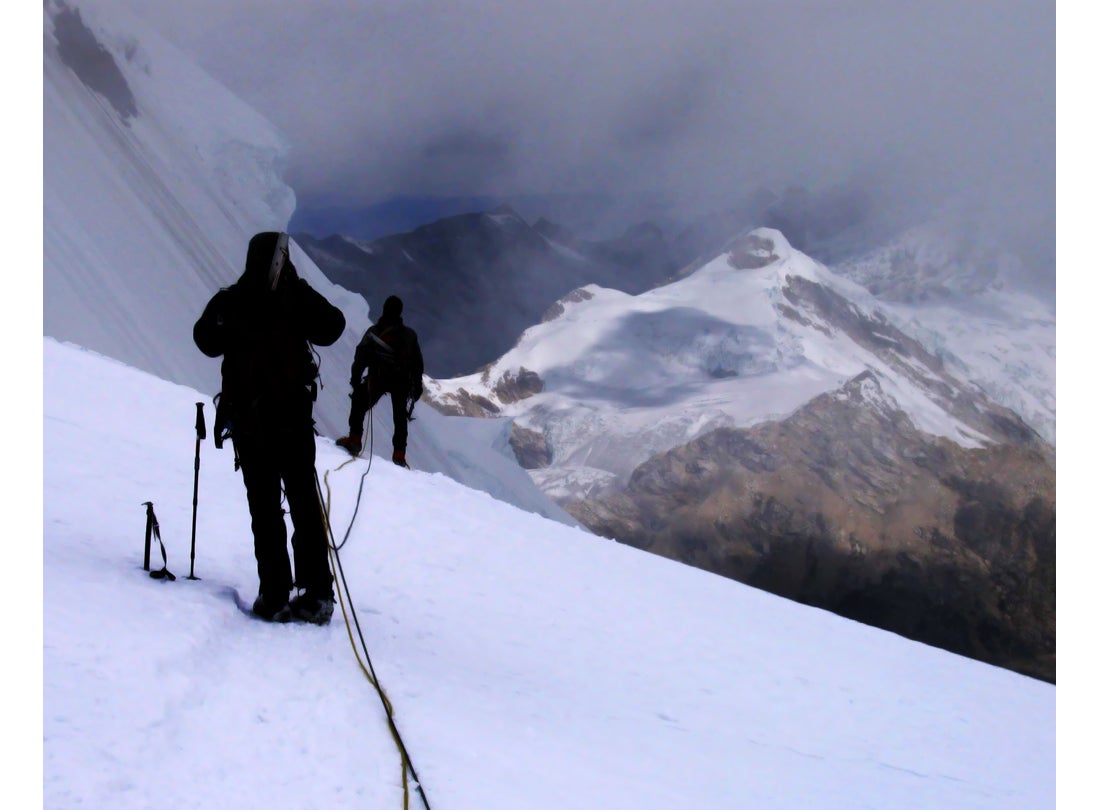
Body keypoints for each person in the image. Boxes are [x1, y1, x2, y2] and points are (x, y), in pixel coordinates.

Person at [193, 231, 346, 624]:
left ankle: (275, 593)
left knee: (264, 507)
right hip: (293, 420)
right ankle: (316, 594)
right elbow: (333, 327)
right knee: (304, 504)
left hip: (250, 422)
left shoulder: (232, 299)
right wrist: (297, 288)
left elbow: (205, 340)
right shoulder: (294, 297)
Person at [336, 295, 424, 467]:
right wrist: (417, 386)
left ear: (384, 309)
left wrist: (355, 379)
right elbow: (417, 364)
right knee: (400, 418)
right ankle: (399, 455)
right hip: (401, 381)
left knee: (359, 403)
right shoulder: (409, 335)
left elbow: (360, 356)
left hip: (378, 378)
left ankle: (354, 440)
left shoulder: (374, 332)